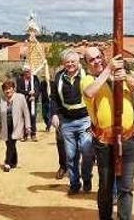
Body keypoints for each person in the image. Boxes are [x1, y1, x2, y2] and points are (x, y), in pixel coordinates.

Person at [82, 46, 134, 220]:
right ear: (86, 64)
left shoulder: (120, 75)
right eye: (92, 59)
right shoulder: (87, 79)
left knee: (126, 187)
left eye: (99, 57)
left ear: (103, 56)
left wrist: (126, 78)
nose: (97, 61)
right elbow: (89, 92)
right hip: (104, 142)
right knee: (106, 186)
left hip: (127, 138)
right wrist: (108, 69)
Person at [50, 49, 94, 194]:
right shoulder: (59, 77)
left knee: (87, 151)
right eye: (67, 62)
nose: (70, 64)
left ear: (78, 63)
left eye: (73, 62)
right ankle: (74, 183)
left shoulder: (86, 75)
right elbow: (54, 98)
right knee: (70, 155)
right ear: (64, 63)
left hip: (85, 120)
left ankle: (87, 178)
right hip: (67, 122)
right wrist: (55, 114)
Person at [0, 79, 31, 171]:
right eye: (5, 89)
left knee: (11, 143)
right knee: (9, 144)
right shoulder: (1, 100)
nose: (8, 91)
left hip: (17, 126)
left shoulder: (20, 97)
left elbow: (26, 113)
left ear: (13, 89)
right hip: (5, 127)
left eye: (10, 88)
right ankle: (14, 161)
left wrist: (28, 126)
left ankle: (7, 163)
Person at [15, 64, 39, 141]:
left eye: (29, 71)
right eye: (26, 72)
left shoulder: (34, 79)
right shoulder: (19, 79)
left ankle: (33, 134)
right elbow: (18, 90)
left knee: (32, 117)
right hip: (23, 101)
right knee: (23, 117)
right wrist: (28, 93)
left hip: (32, 101)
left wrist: (34, 96)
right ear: (24, 72)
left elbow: (38, 89)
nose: (28, 73)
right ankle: (24, 134)